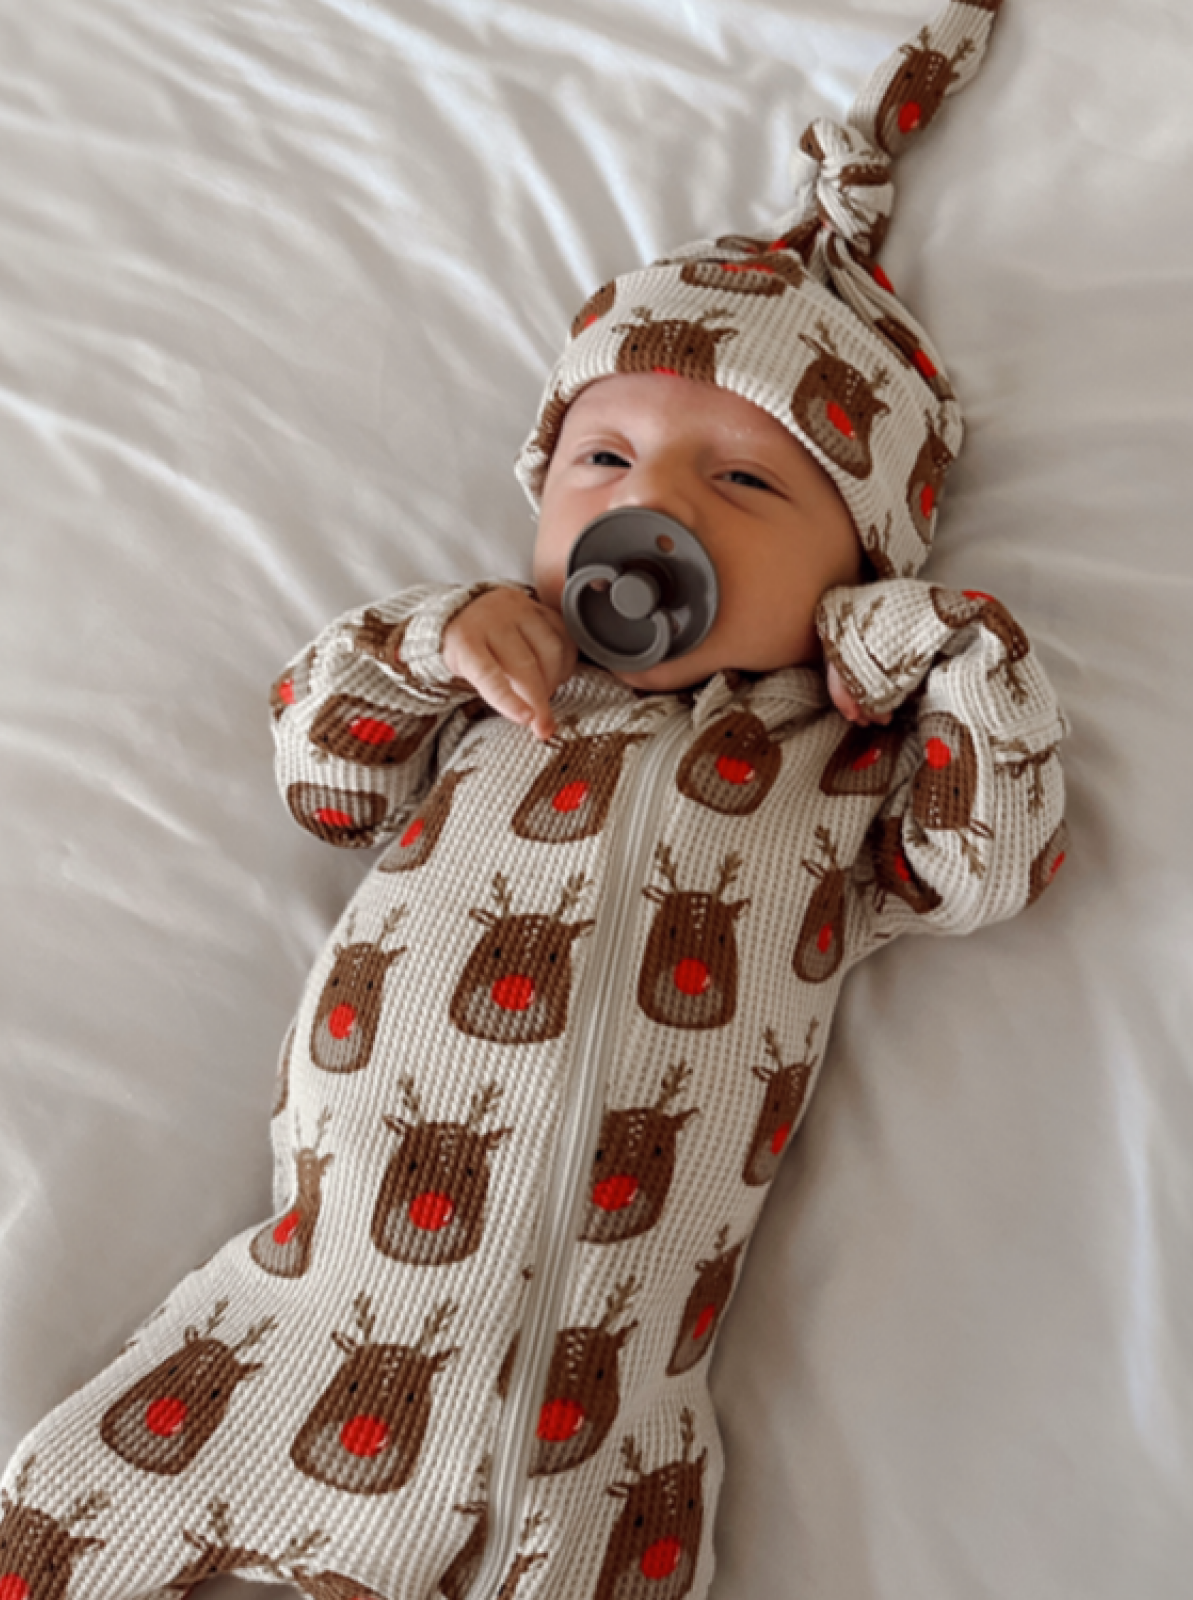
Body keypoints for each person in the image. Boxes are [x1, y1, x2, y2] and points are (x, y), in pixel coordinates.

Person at [0, 3, 1067, 1599]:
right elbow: (323, 775)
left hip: (606, 1411)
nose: (652, 504)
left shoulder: (841, 772)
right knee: (70, 1520)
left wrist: (942, 653)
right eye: (602, 460)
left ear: (859, 562)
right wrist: (427, 642)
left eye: (745, 482)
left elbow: (990, 867)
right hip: (308, 1309)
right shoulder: (508, 681)